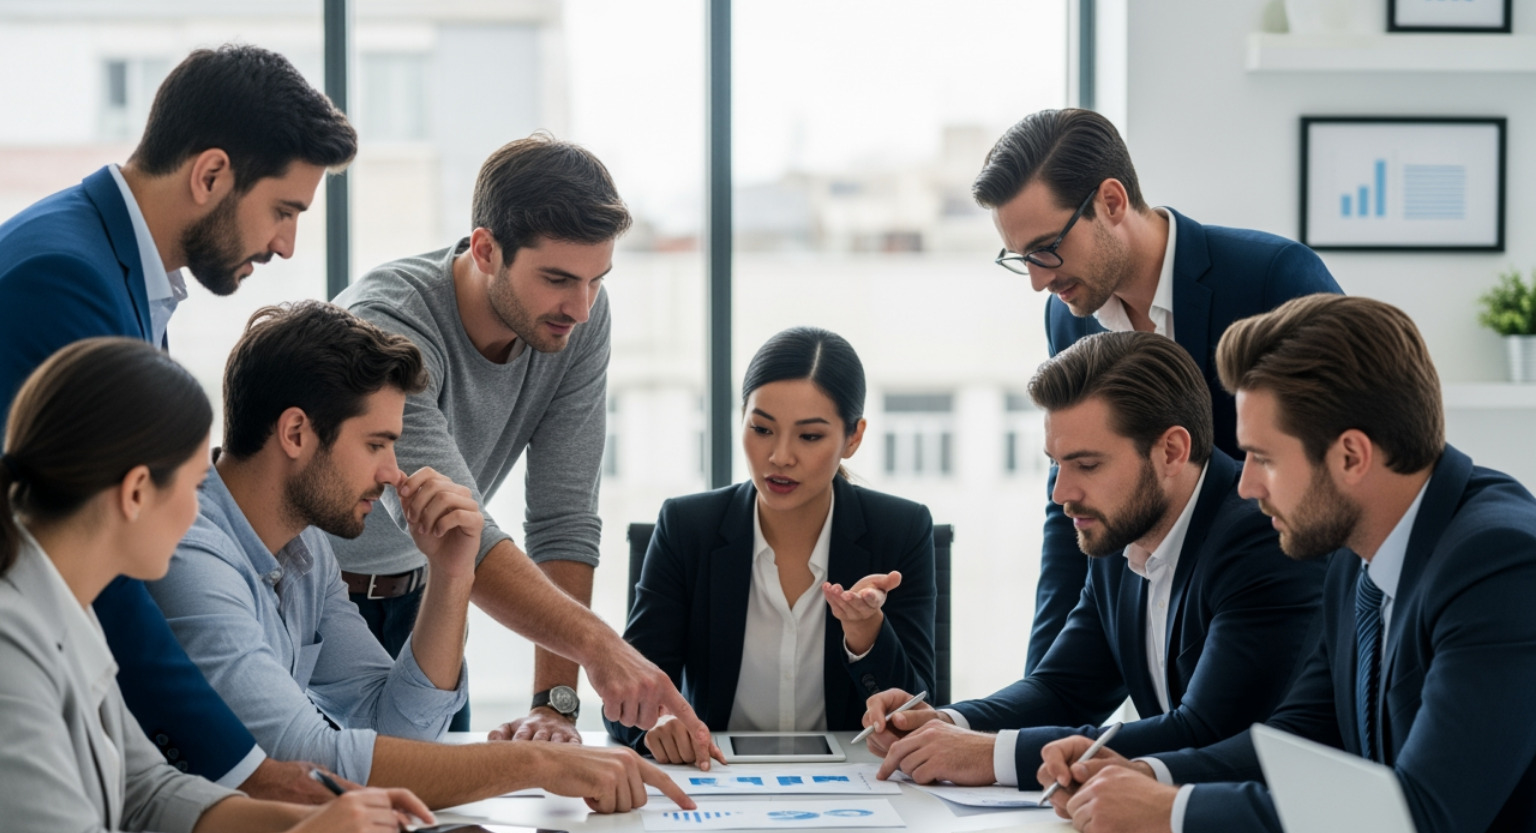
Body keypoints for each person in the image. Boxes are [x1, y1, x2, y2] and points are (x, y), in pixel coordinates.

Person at [1037, 294, 1536, 833]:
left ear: (1351, 456)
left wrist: (1175, 814)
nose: (1245, 485)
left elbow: (1424, 821)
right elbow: (1298, 741)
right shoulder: (1356, 552)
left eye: (1264, 458)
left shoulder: (1499, 563)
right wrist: (1147, 774)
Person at [0, 338, 432, 833]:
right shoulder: (11, 635)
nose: (201, 510)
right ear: (136, 492)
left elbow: (147, 790)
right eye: (194, 482)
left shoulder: (68, 607)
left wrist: (327, 824)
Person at [147, 301, 694, 813]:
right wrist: (539, 764)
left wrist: (452, 571)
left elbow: (398, 728)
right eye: (375, 444)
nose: (392, 473)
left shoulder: (305, 548)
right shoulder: (190, 553)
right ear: (295, 433)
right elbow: (301, 762)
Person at [0, 44, 358, 801]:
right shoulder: (63, 277)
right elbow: (94, 559)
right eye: (284, 210)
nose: (286, 244)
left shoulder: (115, 268)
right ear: (211, 175)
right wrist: (249, 772)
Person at [333, 133, 710, 762]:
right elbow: (453, 526)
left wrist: (554, 705)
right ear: (486, 250)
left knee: (444, 808)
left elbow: (564, 517)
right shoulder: (387, 324)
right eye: (557, 278)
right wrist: (602, 648)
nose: (580, 308)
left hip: (427, 597)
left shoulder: (576, 320)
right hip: (315, 597)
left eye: (596, 281)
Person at [972, 108, 1342, 676]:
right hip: (1160, 634)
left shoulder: (1272, 278)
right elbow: (1070, 507)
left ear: (1111, 202)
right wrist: (1038, 688)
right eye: (1022, 259)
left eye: (1047, 248)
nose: (1039, 280)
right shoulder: (1068, 318)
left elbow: (1340, 468)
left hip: (1295, 634)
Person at [862, 332, 1324, 787]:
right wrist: (945, 723)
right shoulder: (1118, 533)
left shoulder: (1260, 536)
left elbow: (1208, 732)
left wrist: (992, 754)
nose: (1062, 494)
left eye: (1087, 465)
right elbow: (1063, 689)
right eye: (1055, 463)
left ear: (1171, 452)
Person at [611, 327, 936, 764]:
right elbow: (627, 692)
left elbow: (921, 712)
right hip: (714, 779)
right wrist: (657, 726)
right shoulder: (688, 528)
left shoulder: (899, 530)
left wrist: (866, 636)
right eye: (762, 429)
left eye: (809, 436)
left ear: (853, 438)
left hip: (855, 786)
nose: (780, 456)